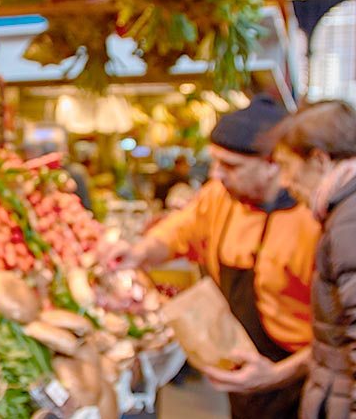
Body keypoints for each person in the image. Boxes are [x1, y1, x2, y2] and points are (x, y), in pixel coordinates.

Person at [104, 94, 321, 419]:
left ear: (273, 164)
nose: (217, 174)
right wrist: (138, 252)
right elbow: (178, 232)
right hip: (242, 366)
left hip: (302, 376)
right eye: (216, 161)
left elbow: (342, 333)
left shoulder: (314, 222)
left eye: (231, 166)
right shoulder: (220, 198)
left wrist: (278, 374)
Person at [270, 100, 356, 419]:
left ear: (319, 160)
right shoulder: (342, 211)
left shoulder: (349, 220)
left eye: (287, 167)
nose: (284, 182)